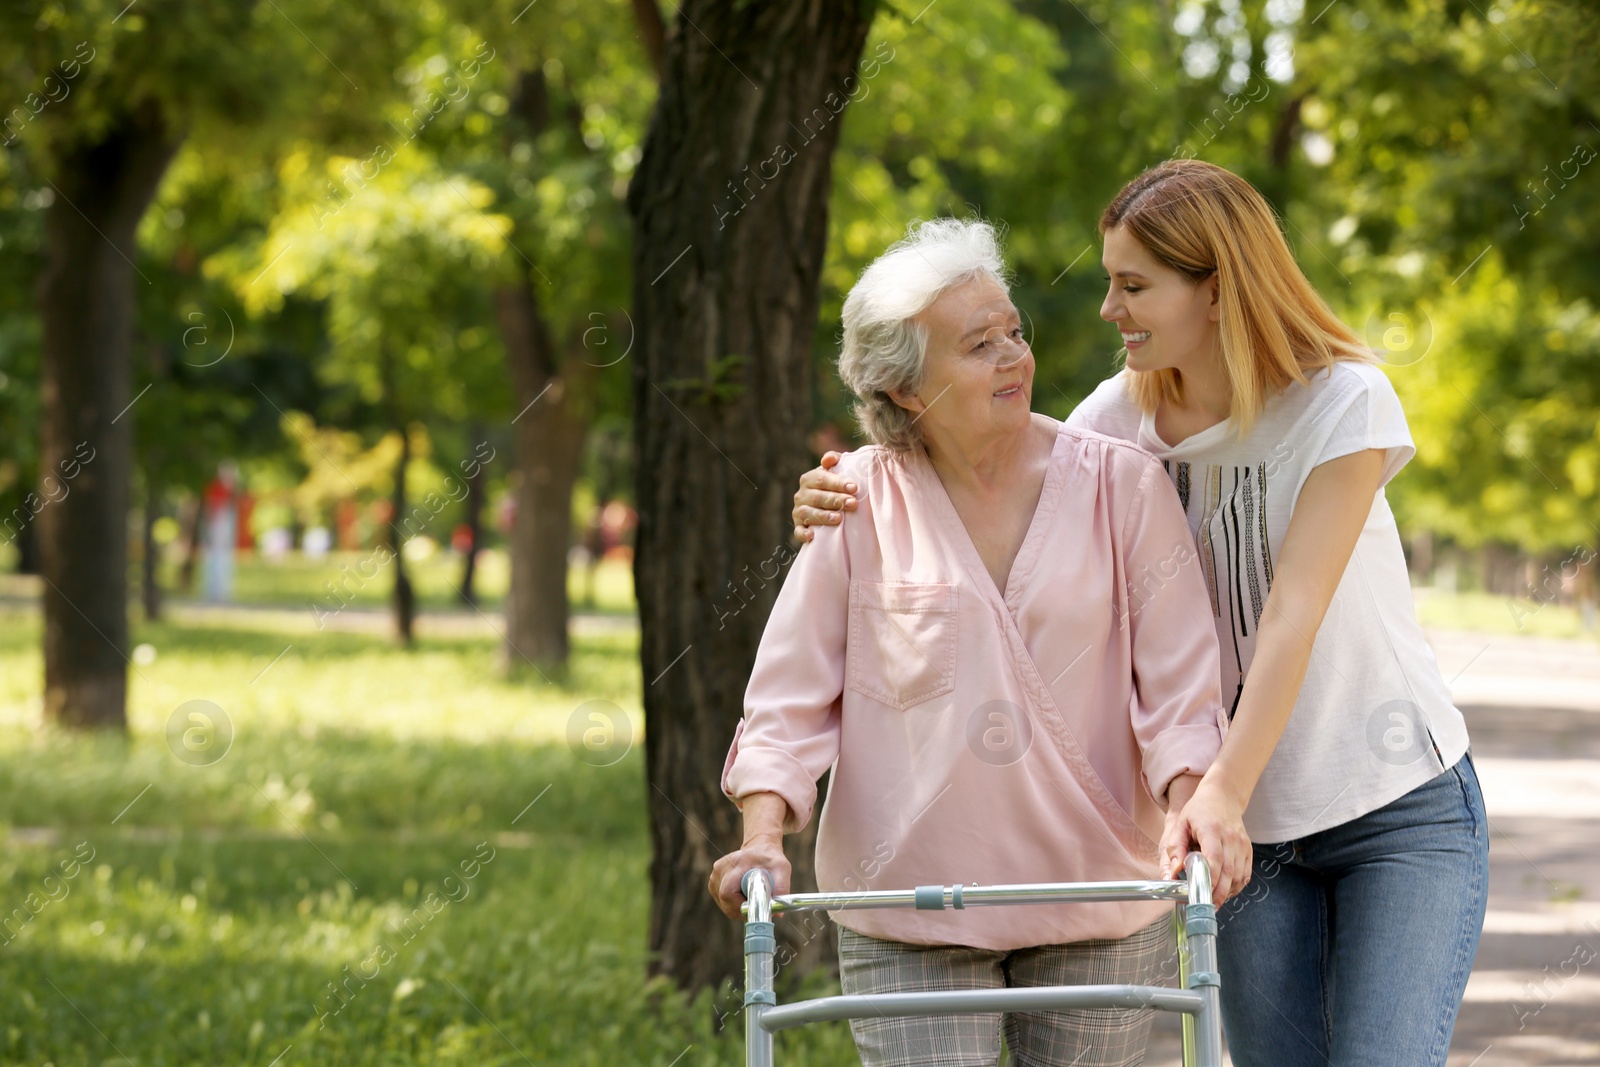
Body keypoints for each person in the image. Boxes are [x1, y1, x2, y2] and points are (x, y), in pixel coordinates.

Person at [790, 161, 1489, 1067]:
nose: (1109, 309)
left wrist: (1220, 795)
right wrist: (845, 490)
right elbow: (981, 462)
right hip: (1240, 830)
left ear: (1216, 290)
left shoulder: (1343, 402)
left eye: (1134, 286)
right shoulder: (1116, 423)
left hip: (1391, 804)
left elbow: (1294, 610)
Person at [709, 218, 1230, 1067]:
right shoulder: (856, 499)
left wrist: (1189, 807)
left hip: (1096, 899)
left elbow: (1179, 697)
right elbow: (789, 699)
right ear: (906, 388)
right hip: (908, 910)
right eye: (978, 344)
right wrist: (764, 835)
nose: (1014, 356)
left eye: (1013, 331)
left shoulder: (1123, 485)